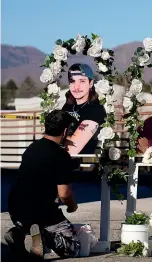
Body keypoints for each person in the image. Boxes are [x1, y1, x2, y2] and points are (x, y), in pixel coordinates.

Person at [5, 110, 81, 259]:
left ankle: (18, 232)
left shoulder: (31, 149)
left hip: (16, 209)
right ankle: (45, 234)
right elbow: (64, 194)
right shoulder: (60, 156)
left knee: (30, 216)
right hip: (42, 211)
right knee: (73, 248)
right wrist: (72, 206)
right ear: (65, 131)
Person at [62, 63, 106, 155]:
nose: (76, 87)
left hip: (81, 162)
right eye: (72, 81)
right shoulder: (68, 106)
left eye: (82, 81)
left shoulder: (95, 109)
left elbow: (72, 149)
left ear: (90, 83)